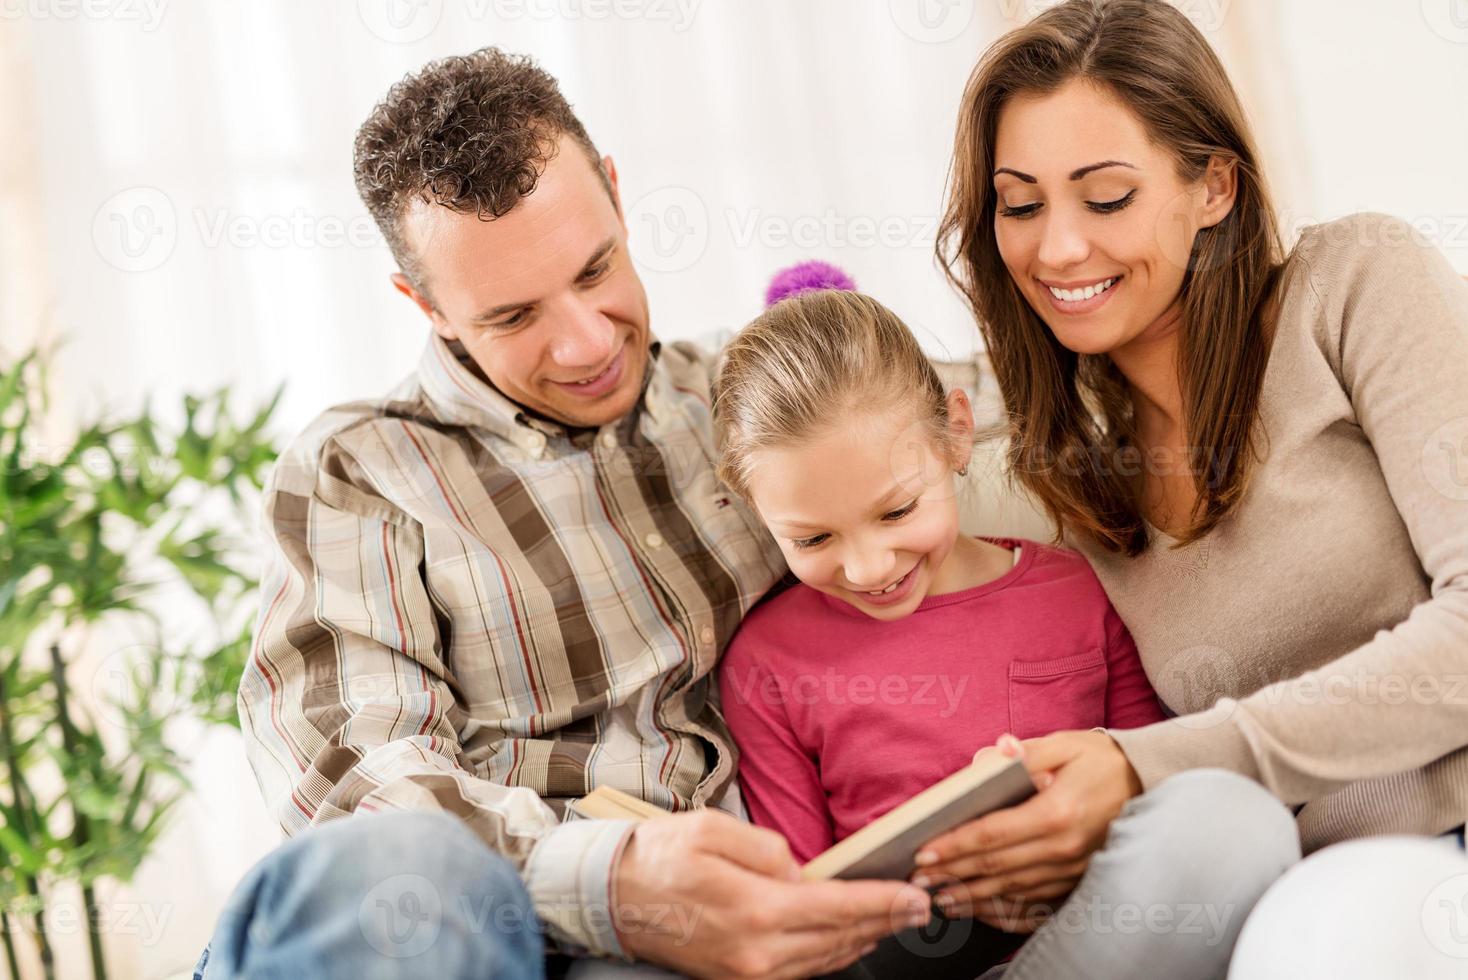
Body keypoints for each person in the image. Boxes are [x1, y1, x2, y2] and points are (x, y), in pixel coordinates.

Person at [193, 48, 936, 980]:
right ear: (425, 306)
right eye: (511, 318)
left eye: (597, 270)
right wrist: (610, 882)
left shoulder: (757, 399)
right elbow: (356, 784)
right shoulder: (360, 471)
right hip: (511, 922)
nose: (586, 343)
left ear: (619, 200)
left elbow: (996, 419)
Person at [931, 0, 1468, 973]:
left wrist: (1145, 766)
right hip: (1286, 888)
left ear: (1213, 185)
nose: (1056, 250)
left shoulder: (1352, 284)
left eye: (1104, 197)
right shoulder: (1080, 474)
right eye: (1019, 203)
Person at [711, 287, 1298, 979]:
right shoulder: (766, 661)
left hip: (1097, 946)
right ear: (755, 506)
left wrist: (1071, 841)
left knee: (1230, 820)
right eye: (812, 537)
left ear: (957, 433)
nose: (868, 566)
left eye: (898, 511)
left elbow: (1151, 782)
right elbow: (803, 900)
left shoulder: (1077, 592)